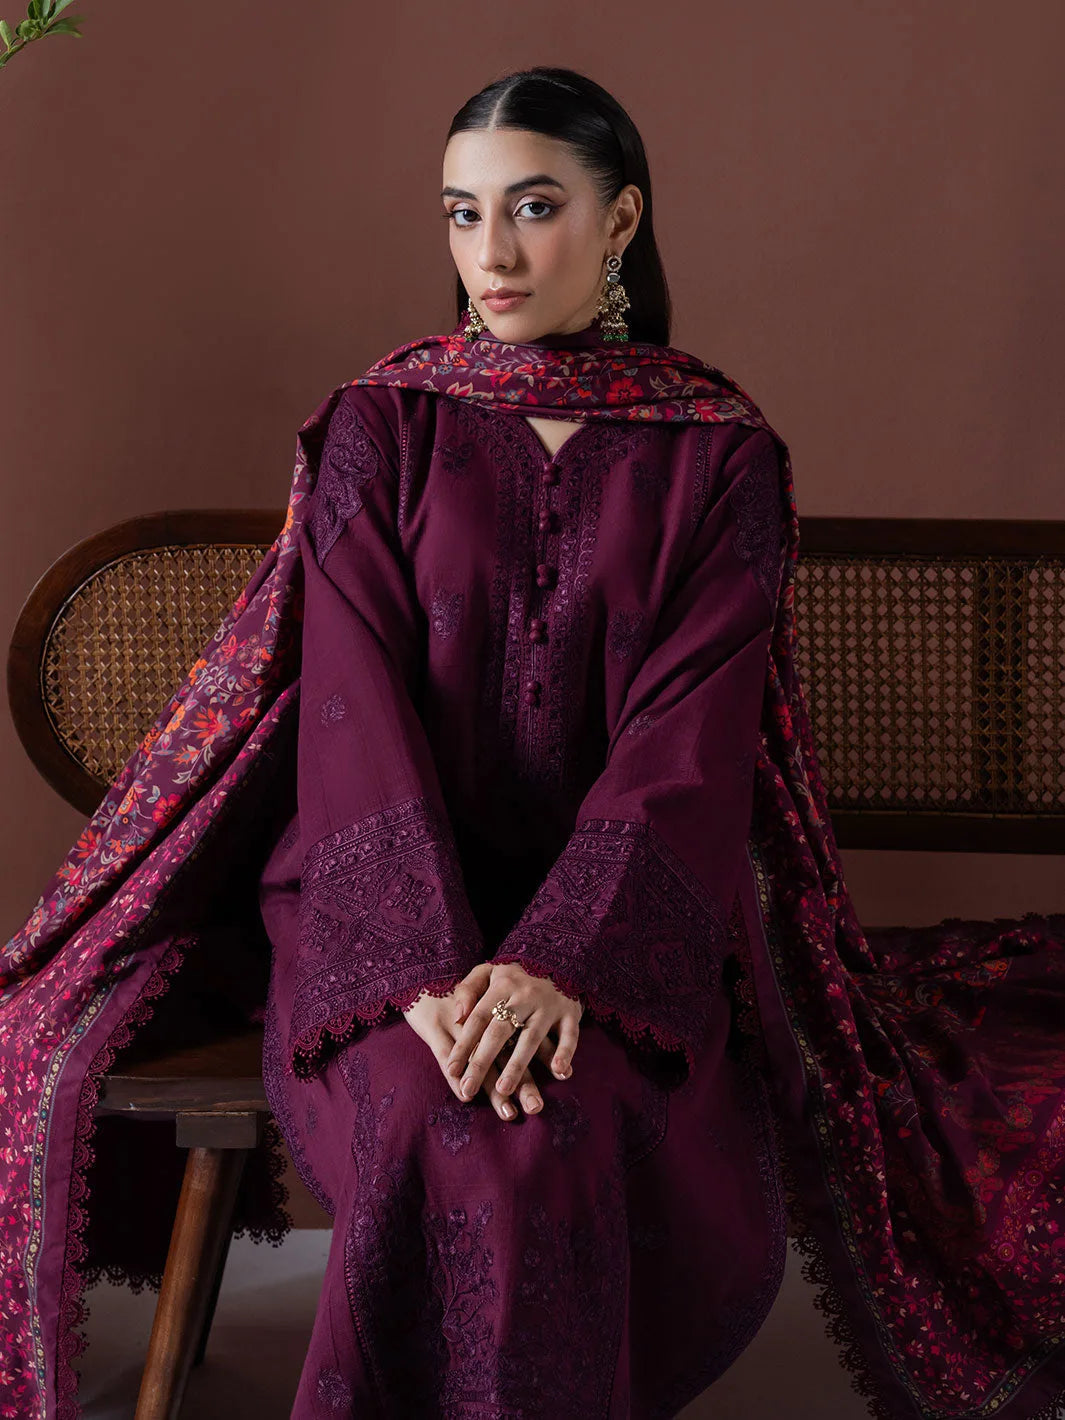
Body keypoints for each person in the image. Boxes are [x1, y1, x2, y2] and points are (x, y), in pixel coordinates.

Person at [2, 63, 1064, 1420]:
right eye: (463, 212)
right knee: (442, 1115)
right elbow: (352, 715)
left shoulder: (718, 458)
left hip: (626, 928)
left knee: (547, 1124)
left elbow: (688, 742)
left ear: (620, 220)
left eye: (535, 207)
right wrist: (420, 967)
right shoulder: (381, 427)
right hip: (374, 913)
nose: (491, 254)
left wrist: (566, 962)